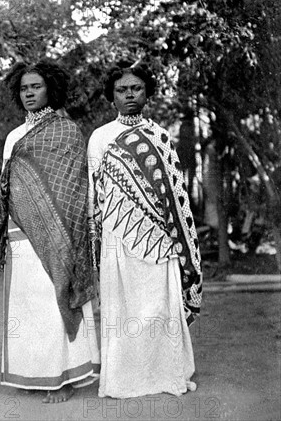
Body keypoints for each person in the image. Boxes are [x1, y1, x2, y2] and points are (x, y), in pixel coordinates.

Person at [87, 60, 202, 398]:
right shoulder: (100, 137)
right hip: (116, 236)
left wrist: (173, 240)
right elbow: (96, 192)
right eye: (122, 90)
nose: (130, 95)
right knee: (122, 310)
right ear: (112, 97)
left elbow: (175, 195)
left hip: (160, 239)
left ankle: (165, 375)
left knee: (158, 309)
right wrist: (99, 237)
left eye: (136, 88)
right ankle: (123, 380)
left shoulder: (160, 136)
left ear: (147, 93)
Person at [0, 60, 100, 403]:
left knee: (54, 303)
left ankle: (62, 379)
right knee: (28, 307)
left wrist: (65, 230)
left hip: (59, 233)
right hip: (19, 232)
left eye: (36, 87)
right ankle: (35, 373)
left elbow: (73, 188)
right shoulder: (13, 137)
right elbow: (8, 185)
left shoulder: (67, 131)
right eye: (24, 88)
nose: (29, 93)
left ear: (50, 89)